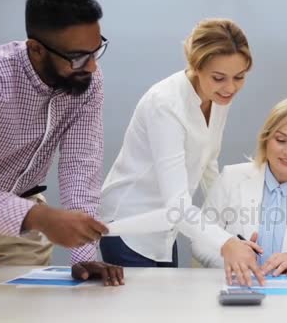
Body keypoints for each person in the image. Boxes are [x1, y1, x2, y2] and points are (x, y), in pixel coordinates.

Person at [0, 0, 122, 286]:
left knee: (29, 312)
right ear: (36, 48)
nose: (92, 65)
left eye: (96, 49)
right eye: (77, 56)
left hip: (24, 217)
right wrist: (38, 218)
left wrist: (84, 254)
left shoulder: (88, 81)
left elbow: (80, 166)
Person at [99, 18, 263, 286]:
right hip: (130, 226)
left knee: (168, 307)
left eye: (239, 77)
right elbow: (177, 203)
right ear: (196, 67)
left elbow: (208, 164)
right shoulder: (165, 104)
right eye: (219, 77)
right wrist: (225, 242)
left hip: (167, 226)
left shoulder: (218, 97)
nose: (230, 87)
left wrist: (229, 229)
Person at [192, 97, 287, 275]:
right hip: (236, 290)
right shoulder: (231, 178)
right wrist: (230, 253)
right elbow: (200, 242)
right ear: (266, 138)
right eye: (281, 140)